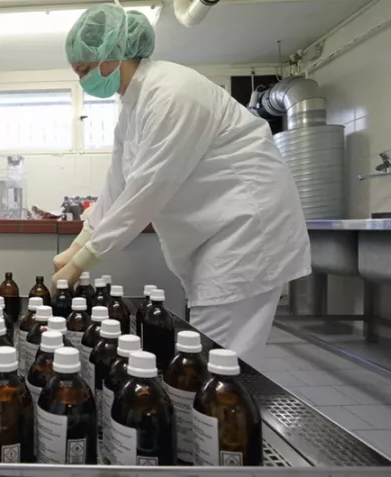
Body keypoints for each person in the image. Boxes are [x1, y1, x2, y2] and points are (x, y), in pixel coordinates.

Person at [53, 4, 311, 363]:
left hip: (245, 230)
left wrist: (83, 261)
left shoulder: (173, 92)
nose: (83, 81)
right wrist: (78, 244)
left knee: (217, 360)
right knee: (213, 353)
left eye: (84, 70)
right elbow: (117, 186)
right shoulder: (133, 108)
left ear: (113, 54)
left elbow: (148, 189)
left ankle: (220, 402)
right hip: (219, 233)